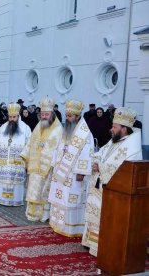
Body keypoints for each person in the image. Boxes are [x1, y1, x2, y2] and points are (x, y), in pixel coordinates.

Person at [82, 107, 142, 256]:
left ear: (124, 128)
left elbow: (124, 169)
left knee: (105, 219)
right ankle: (91, 242)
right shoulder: (115, 140)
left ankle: (100, 245)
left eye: (114, 127)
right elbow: (100, 152)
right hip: (100, 187)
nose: (111, 129)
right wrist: (96, 161)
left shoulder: (132, 146)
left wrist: (100, 166)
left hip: (113, 192)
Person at [48, 100, 94, 237]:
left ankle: (72, 228)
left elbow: (87, 153)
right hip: (61, 172)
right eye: (66, 115)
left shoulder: (85, 134)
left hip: (74, 174)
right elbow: (58, 148)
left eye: (70, 116)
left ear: (77, 116)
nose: (67, 118)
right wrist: (53, 165)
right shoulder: (66, 130)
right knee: (60, 197)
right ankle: (57, 223)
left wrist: (81, 172)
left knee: (71, 199)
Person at [21, 96, 63, 222]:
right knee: (33, 190)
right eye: (43, 114)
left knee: (43, 192)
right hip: (34, 165)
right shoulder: (39, 126)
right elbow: (30, 142)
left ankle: (43, 215)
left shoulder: (58, 129)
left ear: (52, 114)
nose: (44, 116)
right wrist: (25, 156)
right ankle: (32, 213)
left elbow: (58, 148)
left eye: (47, 114)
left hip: (47, 167)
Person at [0, 103, 31, 206]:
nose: (11, 119)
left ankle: (15, 200)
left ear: (18, 116)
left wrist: (26, 158)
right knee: (4, 180)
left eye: (14, 117)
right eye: (10, 117)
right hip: (5, 162)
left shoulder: (25, 129)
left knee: (16, 182)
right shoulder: (3, 127)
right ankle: (3, 199)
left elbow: (30, 144)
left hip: (18, 162)